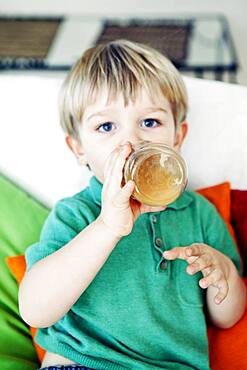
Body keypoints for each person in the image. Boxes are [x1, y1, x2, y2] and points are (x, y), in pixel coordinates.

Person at [19, 39, 246, 370]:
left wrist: (222, 276)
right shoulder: (77, 214)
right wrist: (107, 227)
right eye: (106, 126)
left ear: (178, 137)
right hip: (83, 364)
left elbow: (227, 318)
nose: (132, 142)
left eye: (150, 122)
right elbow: (35, 309)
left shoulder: (200, 214)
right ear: (78, 148)